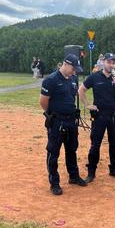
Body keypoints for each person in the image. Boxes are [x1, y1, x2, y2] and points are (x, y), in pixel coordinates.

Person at [40, 54, 87, 196]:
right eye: (73, 68)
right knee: (53, 152)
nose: (75, 71)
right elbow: (43, 102)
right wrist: (54, 114)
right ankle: (54, 182)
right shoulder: (51, 80)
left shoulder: (73, 79)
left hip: (71, 121)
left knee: (72, 149)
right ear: (65, 64)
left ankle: (73, 176)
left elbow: (72, 97)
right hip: (57, 122)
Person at [79, 52, 115, 183]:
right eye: (108, 62)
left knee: (114, 144)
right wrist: (87, 105)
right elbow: (81, 90)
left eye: (113, 62)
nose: (111, 65)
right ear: (103, 62)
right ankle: (91, 172)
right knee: (95, 144)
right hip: (99, 116)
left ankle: (114, 169)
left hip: (114, 116)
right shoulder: (94, 77)